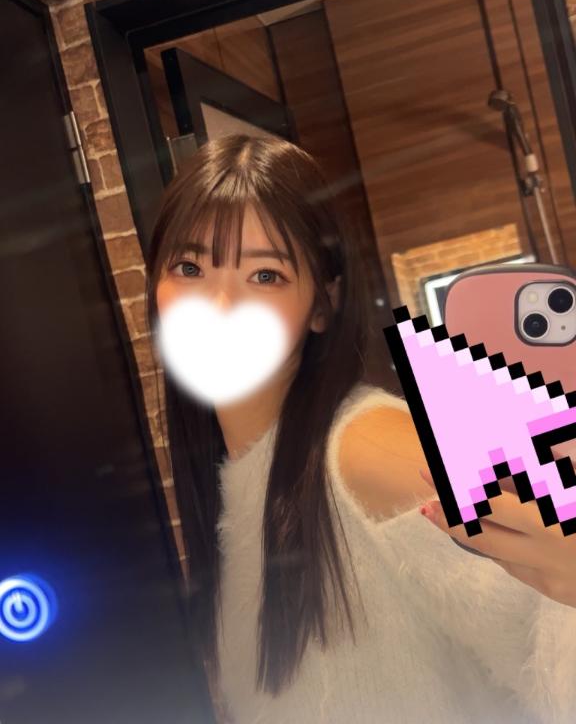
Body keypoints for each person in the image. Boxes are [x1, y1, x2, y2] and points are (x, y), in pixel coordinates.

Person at [145, 134, 576, 723]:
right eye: (190, 267)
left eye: (265, 275)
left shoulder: (365, 452)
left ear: (322, 305)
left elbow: (546, 654)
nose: (217, 307)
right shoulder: (235, 476)